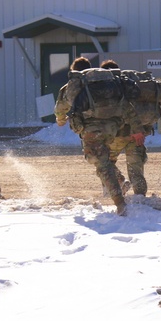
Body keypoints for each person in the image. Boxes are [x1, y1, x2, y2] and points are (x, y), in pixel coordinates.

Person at [54, 56, 128, 215]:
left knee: (99, 163)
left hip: (93, 129)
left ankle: (119, 202)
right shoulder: (103, 81)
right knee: (103, 158)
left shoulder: (74, 85)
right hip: (113, 126)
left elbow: (60, 108)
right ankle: (121, 180)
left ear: (73, 69)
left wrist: (61, 120)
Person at [100, 60, 151, 196]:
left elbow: (127, 108)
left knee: (104, 163)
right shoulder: (128, 84)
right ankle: (140, 199)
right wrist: (138, 131)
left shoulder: (104, 88)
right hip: (135, 135)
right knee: (135, 169)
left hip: (115, 137)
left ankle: (119, 182)